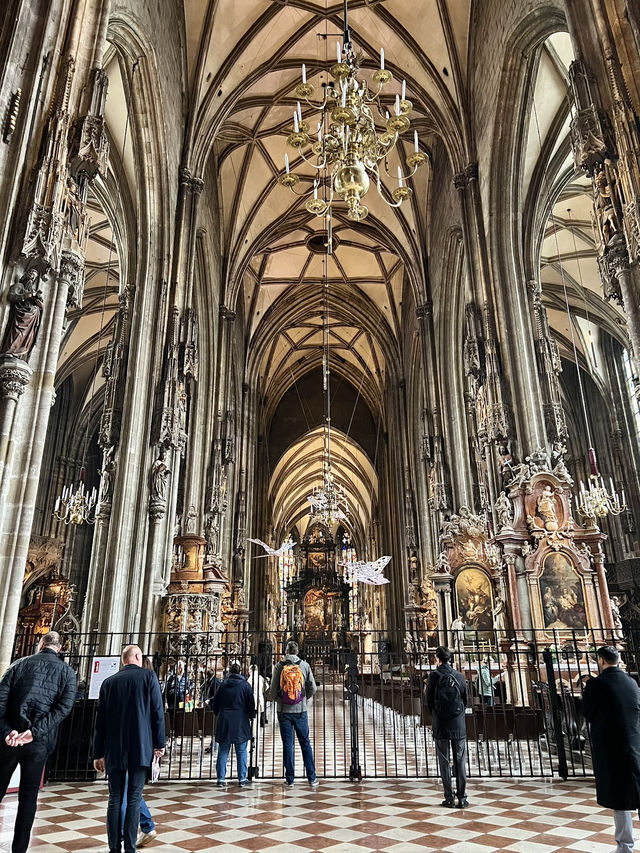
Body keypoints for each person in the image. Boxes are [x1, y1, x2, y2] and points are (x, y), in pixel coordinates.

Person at [0, 631, 76, 853]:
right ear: (59, 648)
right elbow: (63, 708)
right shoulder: (67, 672)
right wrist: (35, 732)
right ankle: (19, 849)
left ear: (40, 644)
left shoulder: (18, 665)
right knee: (29, 796)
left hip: (10, 740)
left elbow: (1, 701)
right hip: (38, 743)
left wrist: (7, 731)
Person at [93, 645, 165, 853]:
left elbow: (101, 722)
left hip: (114, 748)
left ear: (124, 659)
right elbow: (157, 713)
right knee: (134, 797)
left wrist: (99, 753)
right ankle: (130, 849)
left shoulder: (108, 683)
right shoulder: (148, 677)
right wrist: (159, 743)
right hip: (140, 747)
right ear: (137, 657)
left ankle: (114, 848)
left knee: (114, 798)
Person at [582, 646, 640, 853]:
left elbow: (587, 712)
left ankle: (625, 847)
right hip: (635, 744)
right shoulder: (631, 682)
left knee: (620, 798)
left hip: (611, 746)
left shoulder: (596, 684)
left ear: (601, 661)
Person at [267, 640, 319, 789]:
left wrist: (280, 700)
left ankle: (290, 779)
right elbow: (313, 688)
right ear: (297, 652)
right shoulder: (304, 665)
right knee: (305, 743)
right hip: (301, 711)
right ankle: (312, 778)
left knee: (288, 745)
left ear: (285, 651)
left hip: (284, 712)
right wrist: (302, 699)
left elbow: (272, 690)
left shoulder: (279, 666)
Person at [119, 658, 158, 848]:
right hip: (144, 744)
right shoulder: (149, 686)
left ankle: (123, 835)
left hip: (128, 745)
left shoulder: (133, 687)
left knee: (126, 791)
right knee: (133, 790)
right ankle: (146, 825)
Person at [426, 646, 469, 809]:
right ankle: (462, 798)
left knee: (444, 761)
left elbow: (429, 700)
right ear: (450, 658)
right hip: (458, 723)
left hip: (441, 723)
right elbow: (465, 699)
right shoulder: (459, 675)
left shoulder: (434, 676)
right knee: (460, 760)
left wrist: (436, 714)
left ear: (437, 659)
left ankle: (449, 798)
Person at [212, 661, 255, 787]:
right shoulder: (245, 685)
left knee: (223, 750)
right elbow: (250, 703)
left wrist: (217, 712)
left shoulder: (223, 684)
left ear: (230, 671)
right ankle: (242, 779)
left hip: (225, 719)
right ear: (240, 671)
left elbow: (216, 702)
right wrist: (250, 714)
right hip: (240, 720)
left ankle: (221, 778)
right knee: (241, 750)